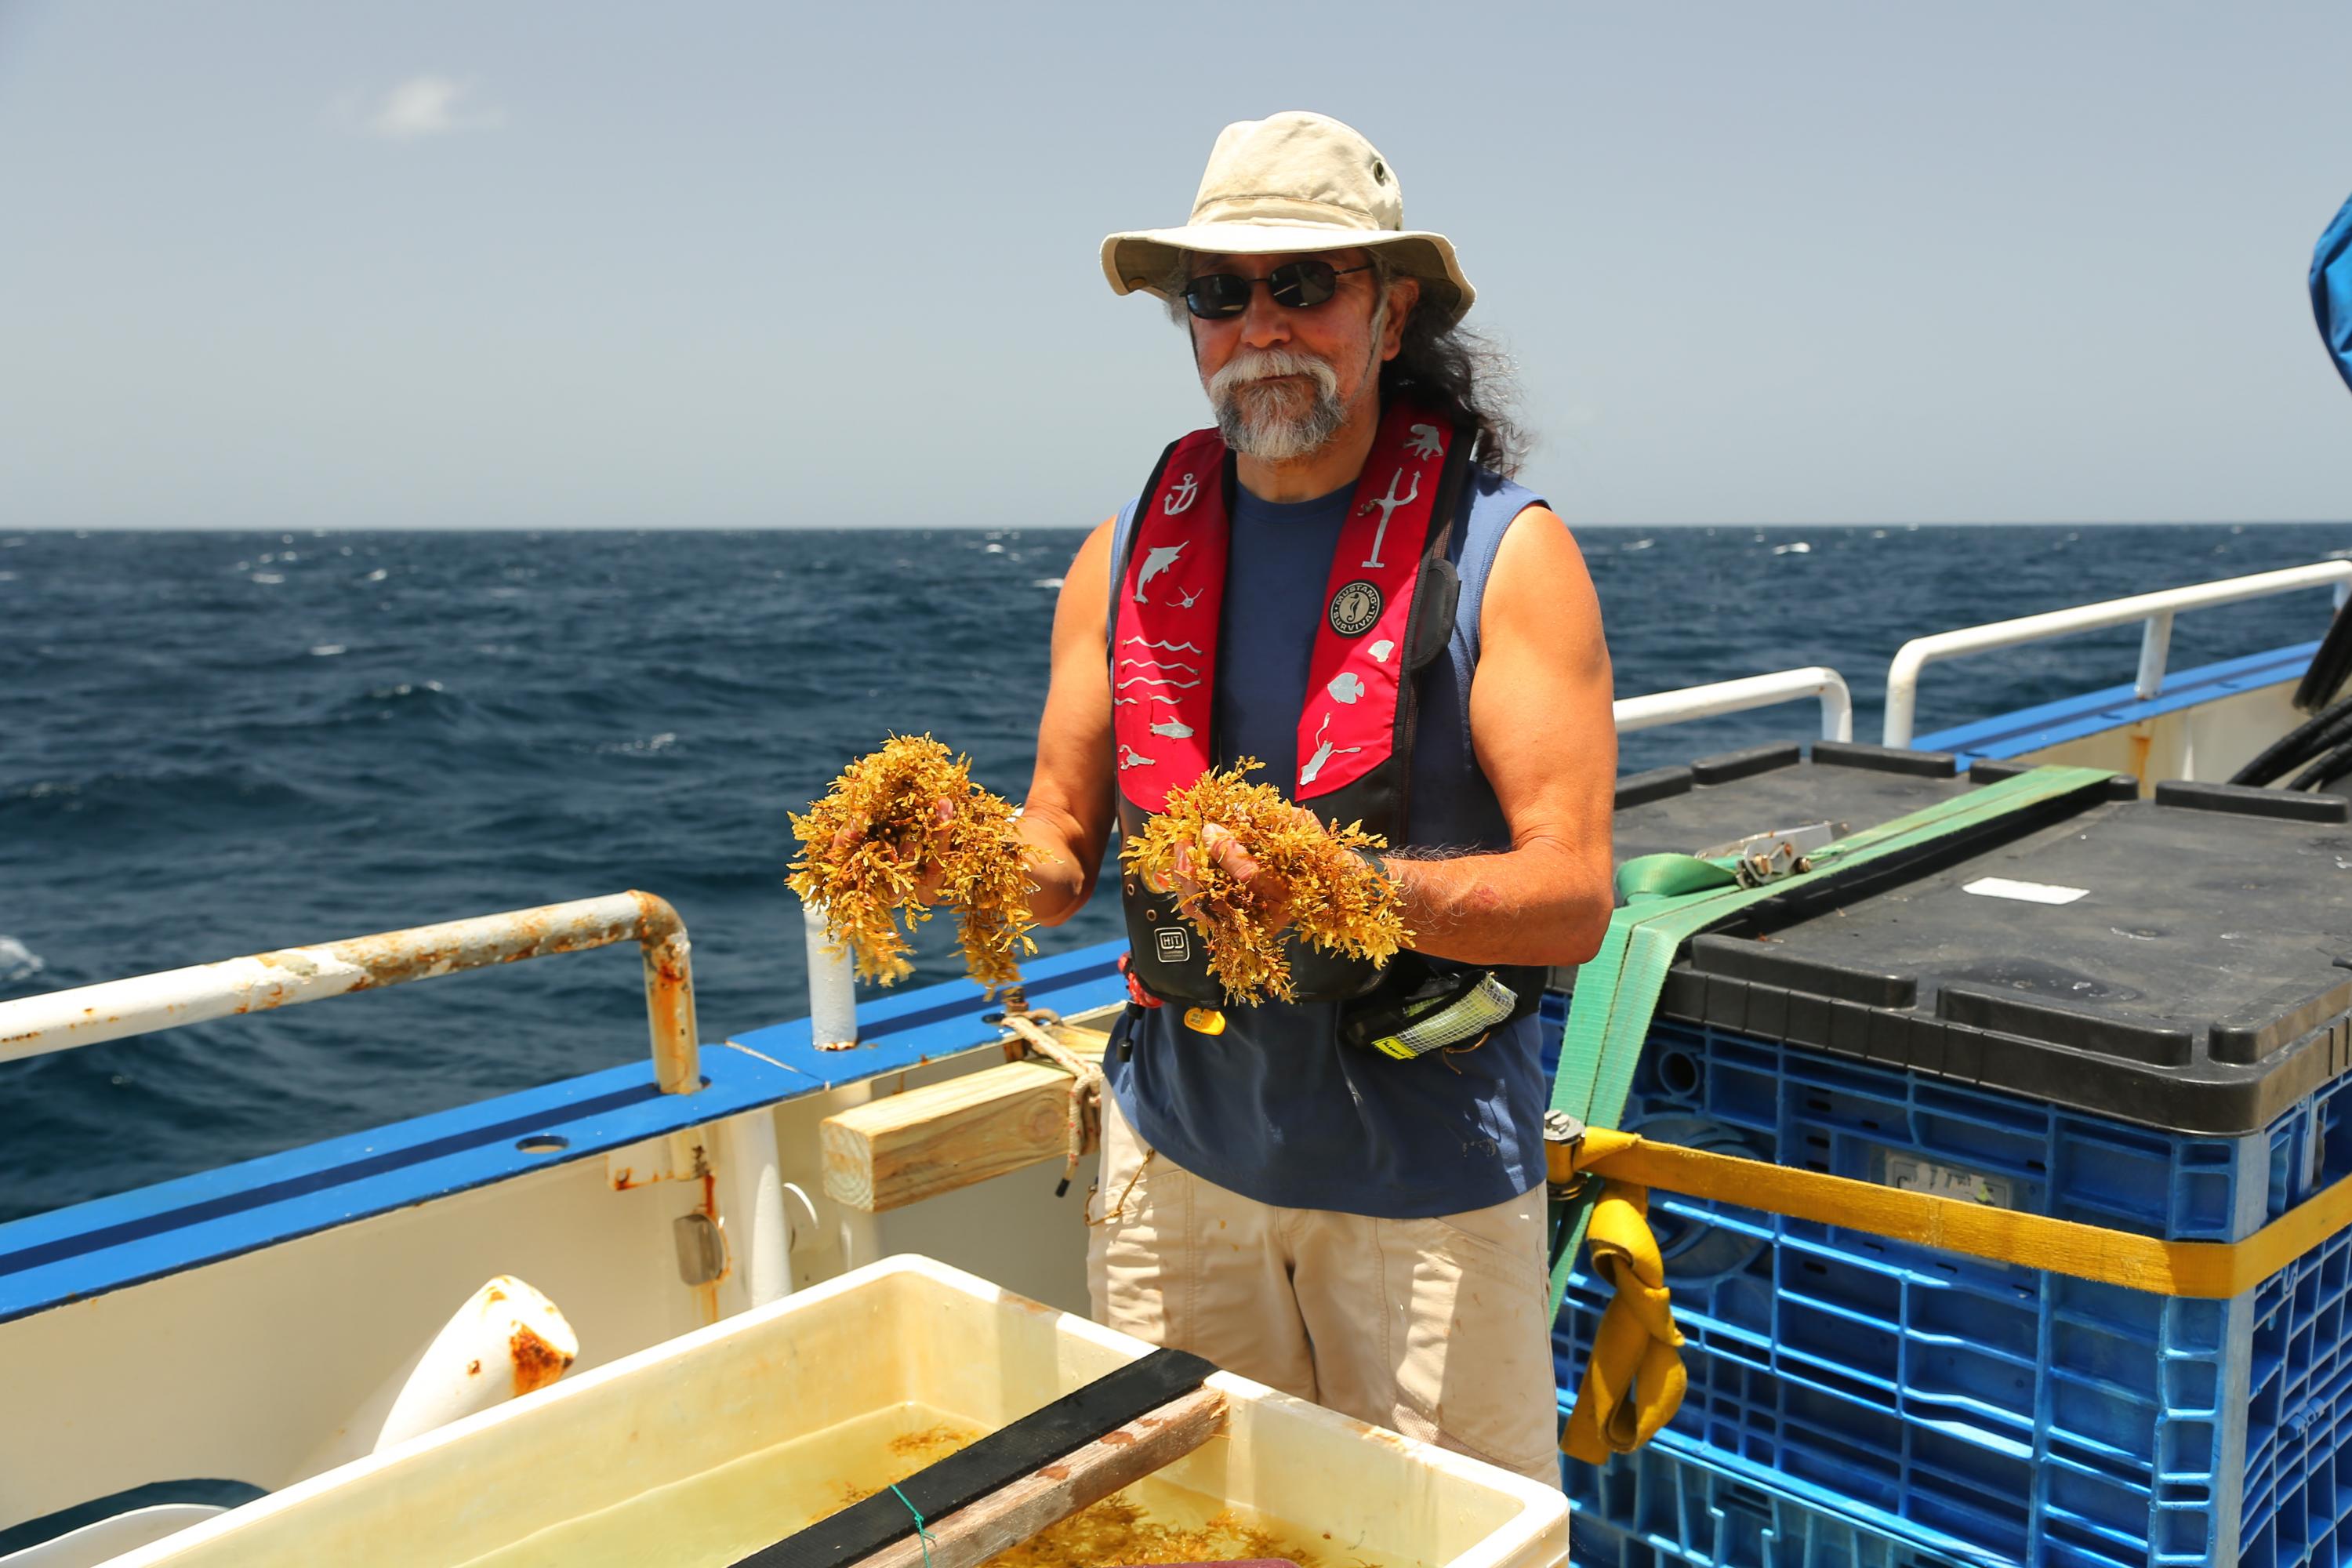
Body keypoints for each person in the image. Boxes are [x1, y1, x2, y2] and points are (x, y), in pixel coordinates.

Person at [1014, 111, 1615, 1484]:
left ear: (1391, 313)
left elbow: (1573, 897)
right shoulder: (1124, 555)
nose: (1259, 325)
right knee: (1190, 1522)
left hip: (1426, 1203)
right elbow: (1058, 843)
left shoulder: (1510, 559)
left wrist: (1341, 889)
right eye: (1218, 294)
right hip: (1176, 1171)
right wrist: (971, 860)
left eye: (1305, 285)